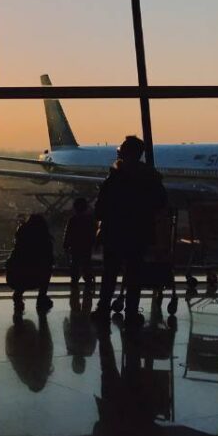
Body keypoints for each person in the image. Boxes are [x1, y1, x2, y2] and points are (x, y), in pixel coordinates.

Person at [93, 136, 167, 323]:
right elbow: (161, 203)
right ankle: (132, 313)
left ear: (123, 153)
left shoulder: (114, 178)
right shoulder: (151, 178)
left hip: (115, 232)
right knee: (134, 275)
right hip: (138, 233)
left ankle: (103, 309)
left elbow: (100, 208)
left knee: (109, 274)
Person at [6, 213, 54, 316]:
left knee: (22, 272)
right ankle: (42, 297)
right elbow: (49, 259)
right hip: (37, 276)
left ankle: (18, 294)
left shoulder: (21, 238)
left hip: (16, 276)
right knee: (46, 269)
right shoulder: (45, 240)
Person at [63, 197, 97, 290]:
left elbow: (68, 233)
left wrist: (66, 244)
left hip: (75, 246)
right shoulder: (89, 220)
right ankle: (88, 283)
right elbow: (92, 233)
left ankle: (74, 284)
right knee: (87, 264)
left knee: (75, 265)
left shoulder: (73, 220)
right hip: (86, 245)